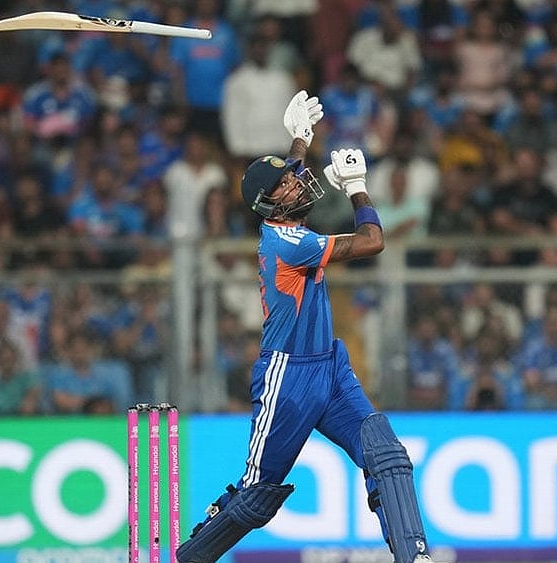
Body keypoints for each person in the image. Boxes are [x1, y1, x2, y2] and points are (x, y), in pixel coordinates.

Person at [176, 93, 435, 563]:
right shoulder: (287, 242)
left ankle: (414, 557)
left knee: (387, 455)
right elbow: (373, 241)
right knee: (257, 497)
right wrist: (357, 187)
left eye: (294, 177)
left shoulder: (287, 216)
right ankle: (189, 557)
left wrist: (299, 139)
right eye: (287, 186)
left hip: (330, 368)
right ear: (267, 206)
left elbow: (288, 176)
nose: (298, 183)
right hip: (288, 379)